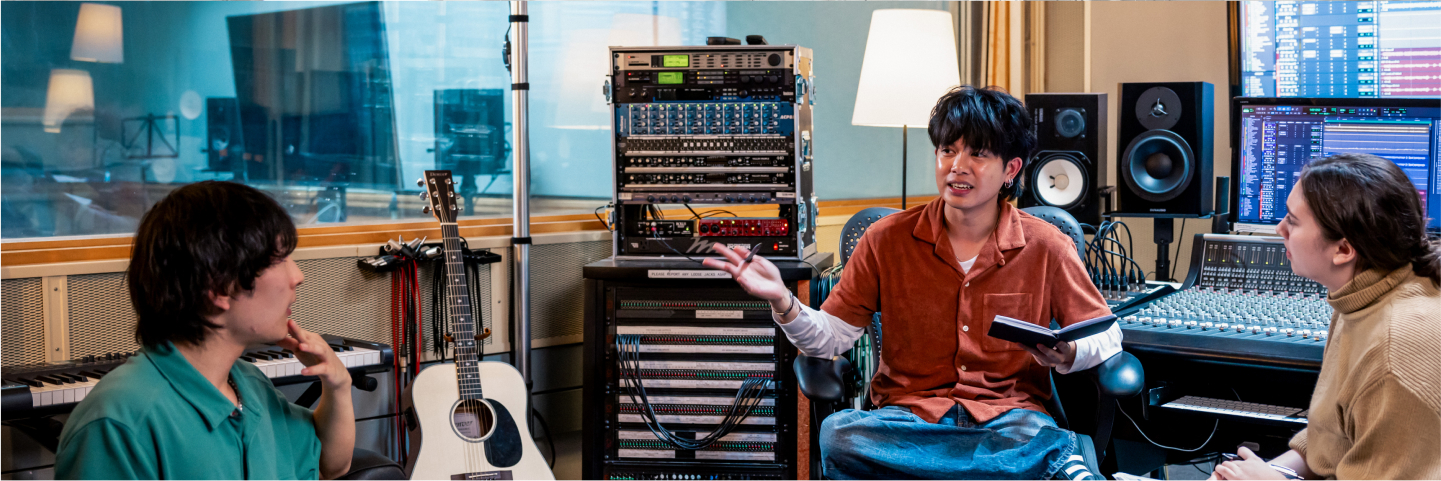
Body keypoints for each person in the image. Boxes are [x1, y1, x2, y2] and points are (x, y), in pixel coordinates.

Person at [704, 85, 1120, 480]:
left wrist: (1068, 353)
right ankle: (1053, 464)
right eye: (947, 151)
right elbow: (830, 340)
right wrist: (782, 301)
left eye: (977, 154)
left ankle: (1008, 460)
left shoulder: (1047, 245)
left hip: (1008, 420)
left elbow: (1107, 335)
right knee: (839, 436)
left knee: (1028, 437)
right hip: (906, 421)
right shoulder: (886, 239)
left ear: (1011, 168)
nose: (957, 166)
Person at [55, 181, 356, 479]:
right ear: (219, 286)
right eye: (279, 260)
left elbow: (330, 465)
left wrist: (338, 385)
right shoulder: (117, 424)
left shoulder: (249, 385)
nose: (298, 276)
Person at [1210, 153, 1441, 480]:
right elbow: (1334, 441)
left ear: (1344, 250)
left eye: (1292, 220)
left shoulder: (1395, 347)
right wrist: (1262, 471)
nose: (1279, 229)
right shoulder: (1360, 296)